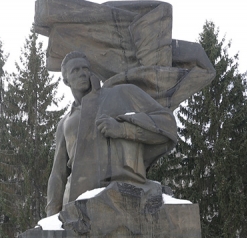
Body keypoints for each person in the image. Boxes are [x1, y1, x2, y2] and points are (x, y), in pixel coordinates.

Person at [45, 50, 178, 216]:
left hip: (122, 192)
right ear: (66, 80)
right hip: (75, 203)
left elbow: (167, 123)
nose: (82, 73)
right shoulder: (64, 123)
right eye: (75, 70)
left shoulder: (121, 94)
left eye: (85, 68)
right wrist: (51, 217)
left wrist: (123, 129)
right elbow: (58, 173)